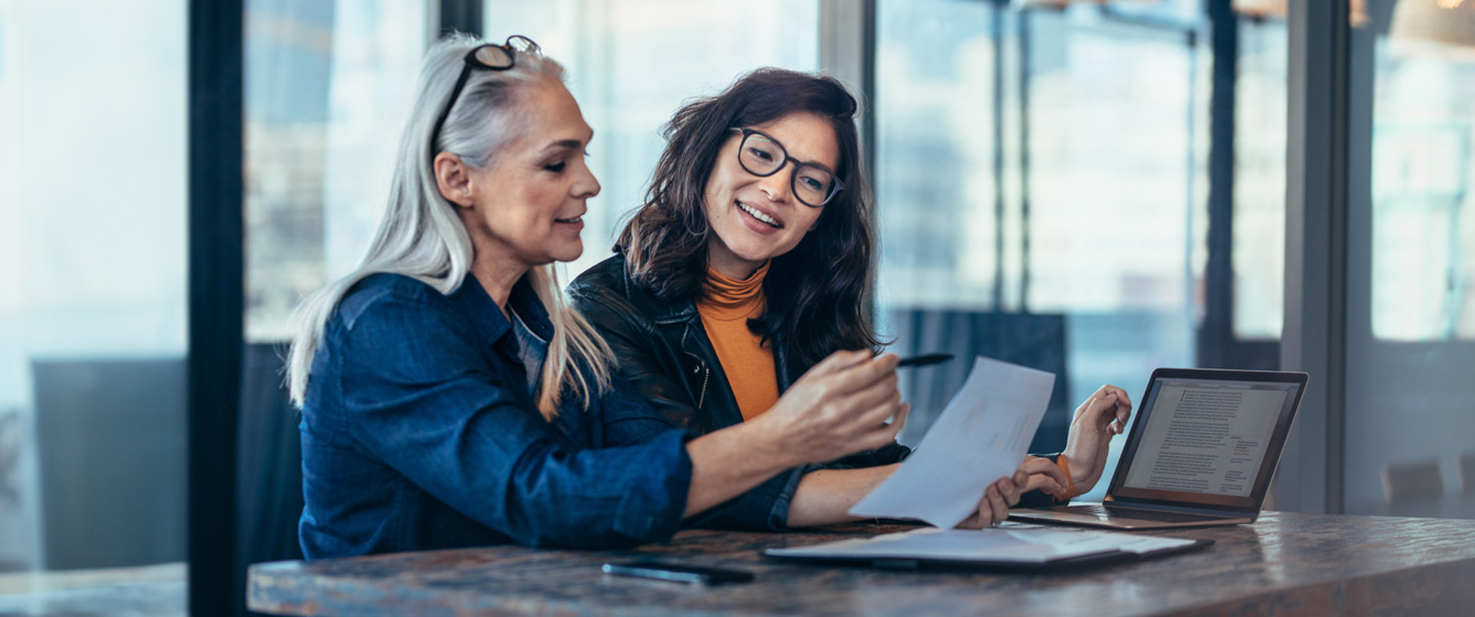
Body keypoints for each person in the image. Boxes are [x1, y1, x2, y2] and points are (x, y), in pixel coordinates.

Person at [287, 37, 1048, 560]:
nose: (588, 182)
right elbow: (545, 498)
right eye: (558, 162)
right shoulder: (388, 323)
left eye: (584, 155)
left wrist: (961, 481)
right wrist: (784, 437)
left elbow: (654, 471)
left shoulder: (547, 329)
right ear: (458, 179)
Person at [569, 68, 1134, 515]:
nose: (776, 189)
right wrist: (926, 489)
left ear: (821, 213)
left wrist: (1064, 473)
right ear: (708, 150)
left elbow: (872, 468)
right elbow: (691, 484)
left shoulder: (808, 310)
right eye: (762, 153)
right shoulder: (603, 308)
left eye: (811, 180)